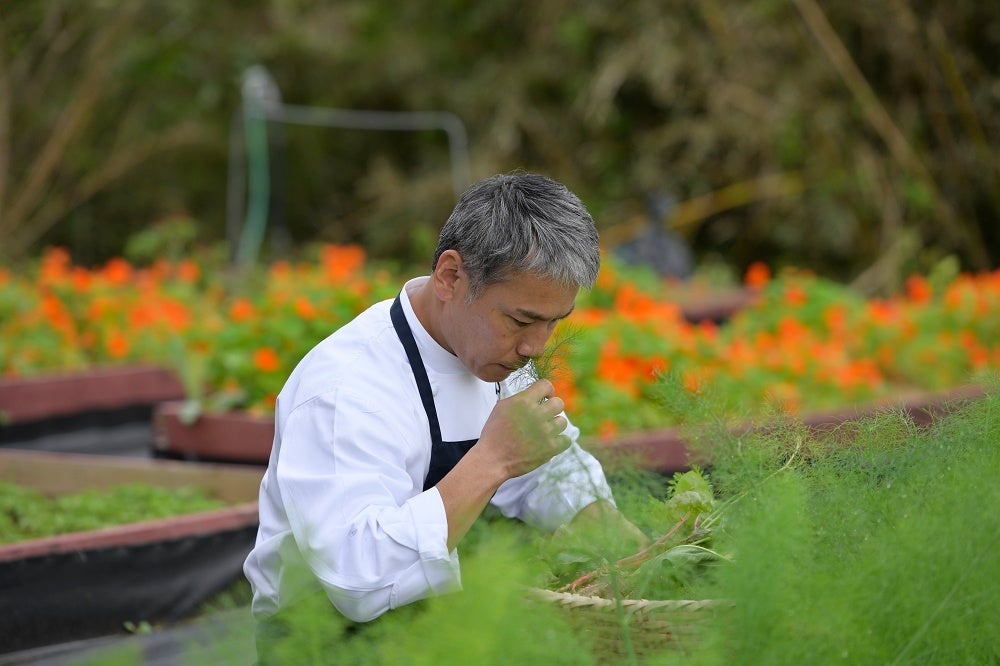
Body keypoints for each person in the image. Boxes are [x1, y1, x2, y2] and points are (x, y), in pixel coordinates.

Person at [243, 172, 646, 651]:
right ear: (451, 276)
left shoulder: (497, 357)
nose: (535, 346)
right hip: (324, 649)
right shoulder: (345, 388)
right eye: (521, 320)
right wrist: (491, 459)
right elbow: (358, 578)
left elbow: (548, 466)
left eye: (555, 322)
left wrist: (609, 529)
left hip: (443, 636)